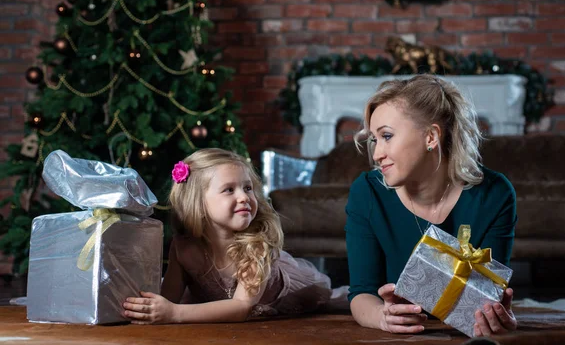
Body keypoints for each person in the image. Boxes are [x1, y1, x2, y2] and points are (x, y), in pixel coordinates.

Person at [345, 74, 518, 337]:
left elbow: (486, 298)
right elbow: (361, 294)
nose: (377, 153)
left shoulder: (495, 194)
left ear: (431, 137)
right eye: (374, 140)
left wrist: (494, 317)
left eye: (387, 136)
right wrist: (382, 316)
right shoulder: (367, 192)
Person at [123, 148, 339, 324]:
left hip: (294, 292)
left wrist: (174, 314)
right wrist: (152, 309)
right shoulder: (184, 248)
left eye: (248, 188)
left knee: (336, 299)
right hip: (223, 301)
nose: (244, 197)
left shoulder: (258, 244)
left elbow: (240, 307)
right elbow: (168, 299)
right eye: (229, 190)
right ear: (197, 203)